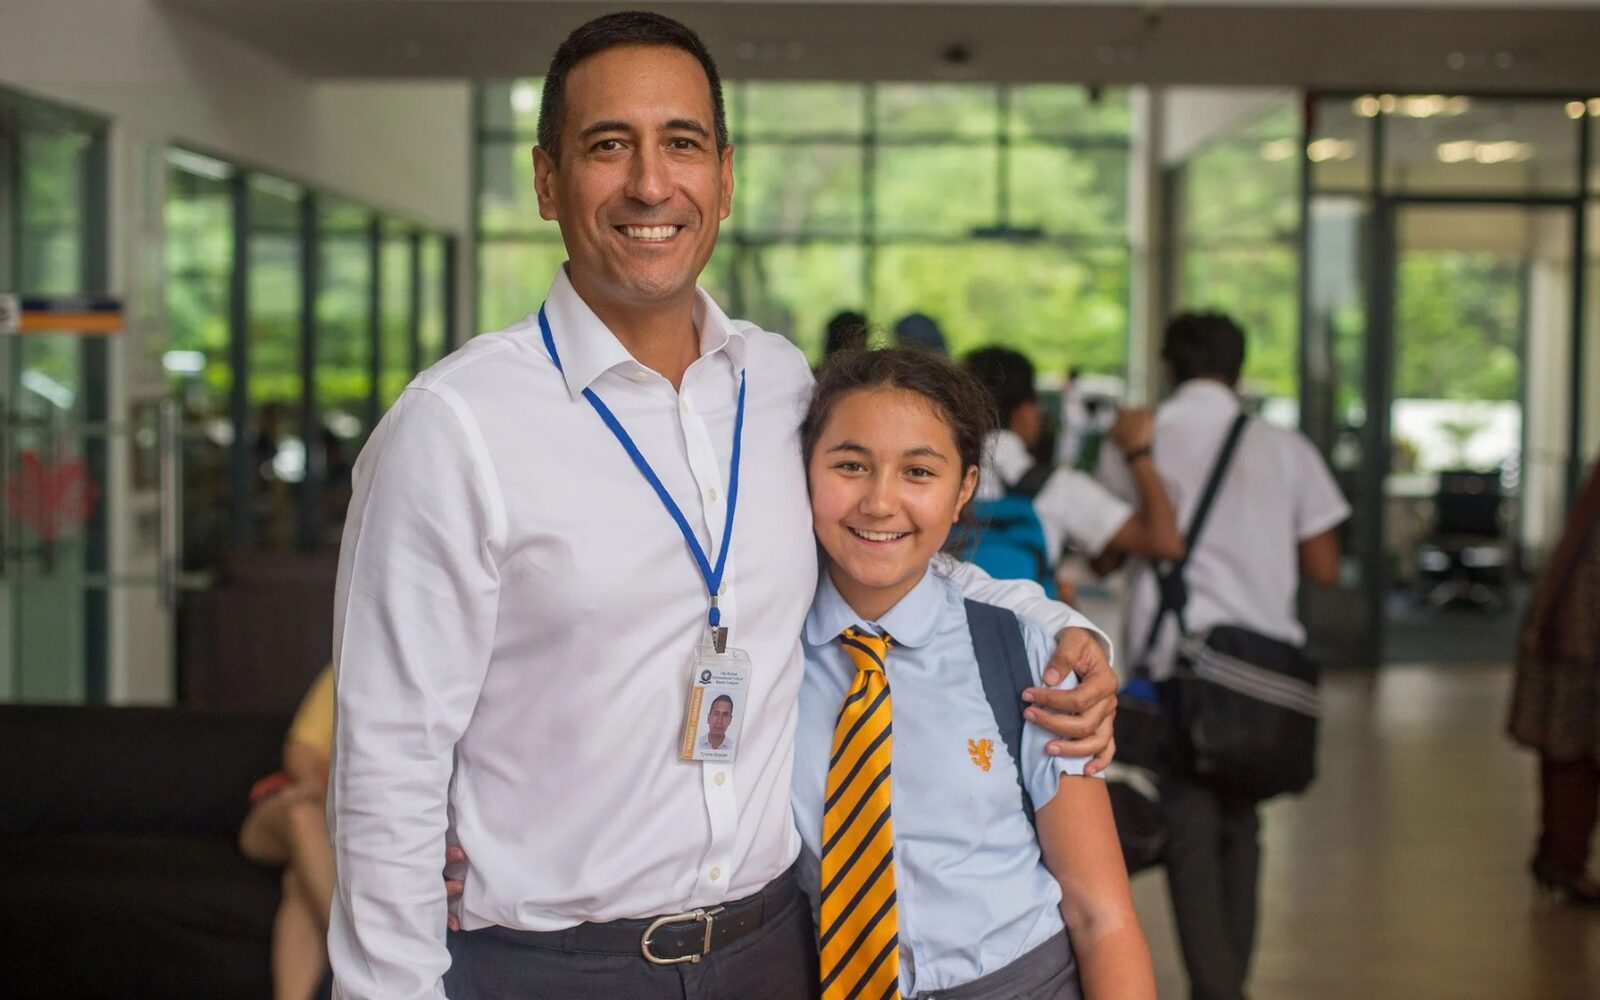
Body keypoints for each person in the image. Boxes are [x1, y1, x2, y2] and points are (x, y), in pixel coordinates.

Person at [328, 12, 1120, 1000]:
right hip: (552, 970)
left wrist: (1061, 625)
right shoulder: (452, 429)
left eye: (682, 144)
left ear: (726, 177)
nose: (651, 184)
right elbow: (387, 767)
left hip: (775, 954)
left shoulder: (781, 384)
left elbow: (881, 551)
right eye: (607, 145)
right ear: (545, 180)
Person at [792, 348, 1157, 1000]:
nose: (880, 502)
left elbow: (1100, 914)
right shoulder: (762, 652)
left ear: (963, 489)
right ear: (804, 470)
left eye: (919, 472)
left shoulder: (1023, 655)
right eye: (850, 465)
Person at [1095, 311, 1348, 1000]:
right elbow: (1324, 564)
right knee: (1242, 820)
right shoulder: (1285, 447)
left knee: (1190, 820)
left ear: (1170, 367)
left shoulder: (1137, 442)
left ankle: (1219, 989)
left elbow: (1112, 546)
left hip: (1179, 665)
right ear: (1238, 369)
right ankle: (1227, 984)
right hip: (1261, 669)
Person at [964, 345, 1184, 583]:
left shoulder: (941, 478)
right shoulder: (1056, 487)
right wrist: (1138, 453)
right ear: (1025, 411)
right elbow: (1165, 542)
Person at [1508, 456, 1600, 906]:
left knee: (1569, 747)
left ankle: (1560, 858)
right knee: (1572, 747)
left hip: (1573, 622)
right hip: (1581, 629)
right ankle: (1561, 859)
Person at [240, 666, 336, 1000]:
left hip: (346, 831)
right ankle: (355, 947)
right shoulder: (347, 666)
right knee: (301, 814)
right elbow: (301, 748)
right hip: (294, 806)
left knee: (300, 880)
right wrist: (321, 790)